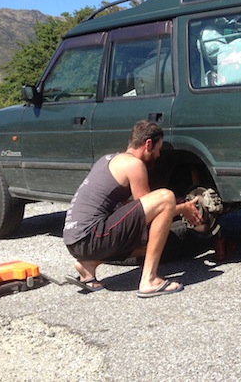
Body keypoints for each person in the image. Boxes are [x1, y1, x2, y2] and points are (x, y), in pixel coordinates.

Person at [63, 120, 202, 298]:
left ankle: (89, 264)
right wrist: (184, 208)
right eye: (158, 149)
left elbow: (131, 210)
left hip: (75, 241)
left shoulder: (109, 159)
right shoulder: (134, 165)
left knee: (149, 244)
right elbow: (155, 210)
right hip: (91, 236)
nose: (159, 155)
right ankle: (149, 280)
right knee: (165, 197)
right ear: (148, 144)